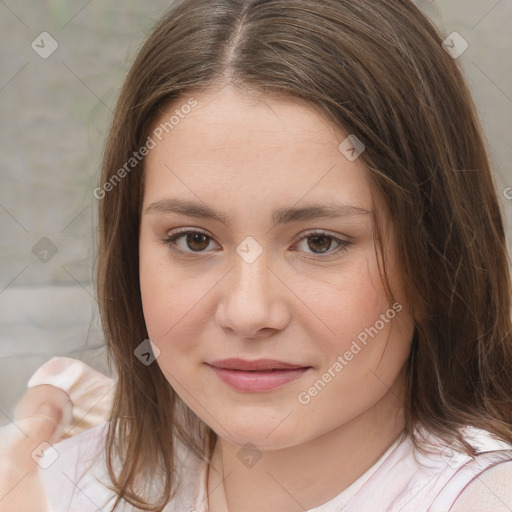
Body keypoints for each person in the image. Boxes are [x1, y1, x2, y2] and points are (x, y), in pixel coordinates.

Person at [2, 0, 512, 510]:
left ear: (437, 263)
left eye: (319, 242)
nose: (248, 313)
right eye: (194, 240)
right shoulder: (56, 483)